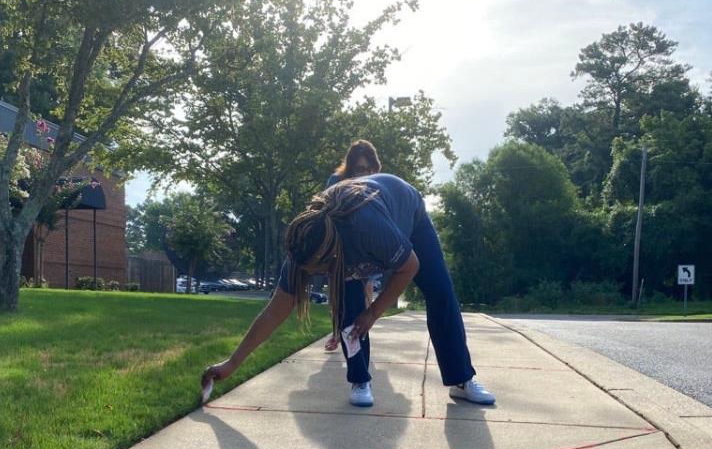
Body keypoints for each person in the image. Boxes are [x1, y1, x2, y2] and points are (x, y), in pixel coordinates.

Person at [201, 173, 495, 408]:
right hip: (353, 242)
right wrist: (232, 362)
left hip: (408, 212)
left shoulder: (367, 226)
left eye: (319, 269)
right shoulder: (303, 248)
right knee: (347, 302)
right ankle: (360, 380)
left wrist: (374, 312)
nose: (314, 276)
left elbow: (409, 267)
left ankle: (461, 380)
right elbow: (276, 309)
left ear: (332, 251)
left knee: (441, 292)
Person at [323, 140, 381, 352]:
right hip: (339, 246)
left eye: (369, 168)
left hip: (365, 247)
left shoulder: (375, 183)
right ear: (350, 166)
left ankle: (360, 331)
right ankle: (337, 331)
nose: (364, 173)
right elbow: (327, 212)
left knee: (366, 289)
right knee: (336, 293)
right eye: (359, 168)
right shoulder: (336, 181)